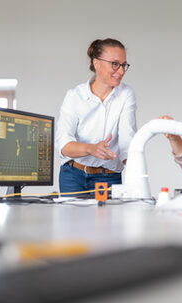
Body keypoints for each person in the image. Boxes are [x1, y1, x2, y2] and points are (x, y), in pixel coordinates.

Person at [56, 38, 137, 195]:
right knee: (72, 220)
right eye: (115, 64)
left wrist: (137, 173)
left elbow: (127, 141)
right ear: (96, 63)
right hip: (73, 176)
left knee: (106, 220)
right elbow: (63, 145)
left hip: (108, 177)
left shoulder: (126, 94)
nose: (121, 71)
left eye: (124, 65)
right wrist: (91, 148)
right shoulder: (74, 96)